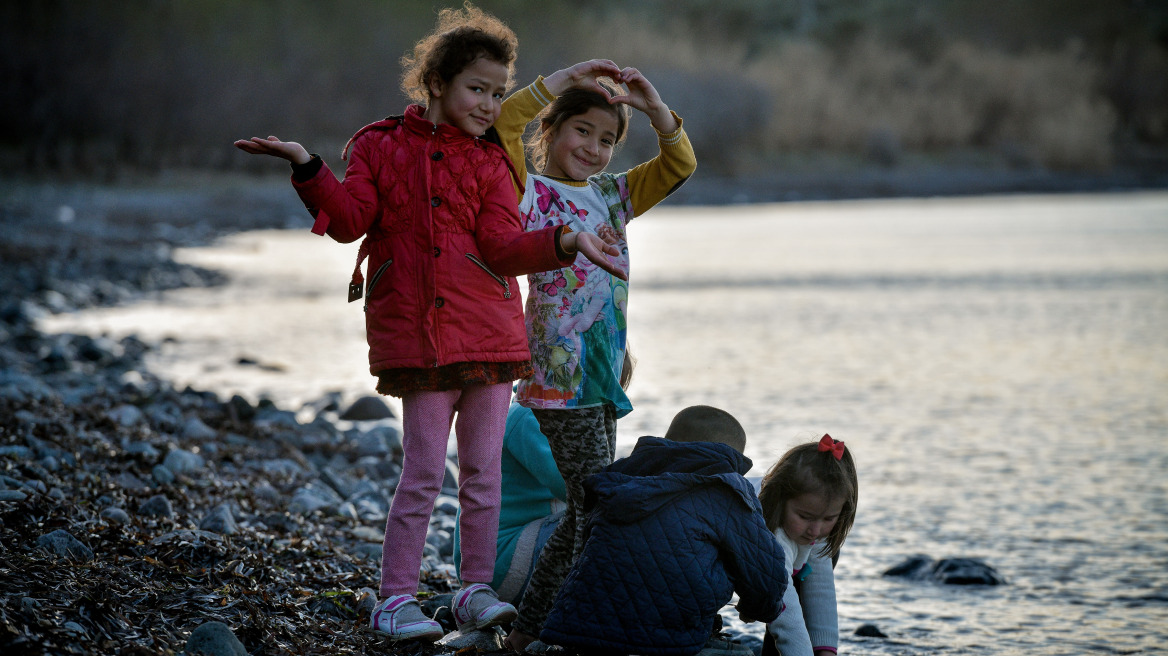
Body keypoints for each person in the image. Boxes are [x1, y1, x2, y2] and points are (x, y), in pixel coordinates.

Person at [233, 3, 624, 643]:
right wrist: (308, 166)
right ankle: (394, 600)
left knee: (483, 475)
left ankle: (472, 591)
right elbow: (351, 219)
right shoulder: (379, 145)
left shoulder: (492, 160)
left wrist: (566, 240)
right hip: (419, 337)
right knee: (420, 475)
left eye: (500, 93)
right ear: (437, 83)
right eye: (478, 89)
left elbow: (501, 246)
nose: (491, 105)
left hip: (493, 337)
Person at [496, 59, 697, 649]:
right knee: (599, 511)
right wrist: (564, 77)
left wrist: (654, 107)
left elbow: (679, 163)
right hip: (558, 379)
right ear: (553, 130)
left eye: (608, 139)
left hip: (604, 378)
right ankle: (557, 629)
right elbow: (505, 124)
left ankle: (535, 629)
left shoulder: (614, 194)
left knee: (588, 510)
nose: (594, 148)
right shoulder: (528, 192)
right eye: (581, 131)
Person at [536, 405, 788, 655]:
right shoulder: (727, 491)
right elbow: (767, 574)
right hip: (673, 638)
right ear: (731, 457)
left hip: (580, 630)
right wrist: (758, 609)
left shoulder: (616, 480)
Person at [453, 349, 635, 606]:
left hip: (510, 556)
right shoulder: (529, 417)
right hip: (500, 563)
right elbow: (577, 489)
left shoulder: (526, 413)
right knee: (607, 524)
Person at [756, 434, 859, 656]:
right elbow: (786, 608)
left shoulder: (812, 527)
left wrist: (826, 650)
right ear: (780, 499)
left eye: (828, 519)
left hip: (778, 574)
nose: (815, 530)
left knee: (827, 551)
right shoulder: (773, 539)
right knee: (784, 605)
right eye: (805, 516)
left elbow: (821, 589)